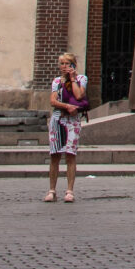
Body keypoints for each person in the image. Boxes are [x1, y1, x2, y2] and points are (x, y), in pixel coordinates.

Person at [46, 53, 88, 203]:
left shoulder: (82, 79)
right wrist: (66, 106)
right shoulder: (56, 81)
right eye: (61, 63)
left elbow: (78, 96)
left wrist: (72, 79)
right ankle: (52, 190)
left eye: (67, 63)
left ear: (73, 64)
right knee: (55, 154)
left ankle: (69, 190)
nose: (64, 66)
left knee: (70, 154)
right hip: (58, 120)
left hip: (73, 121)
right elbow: (52, 101)